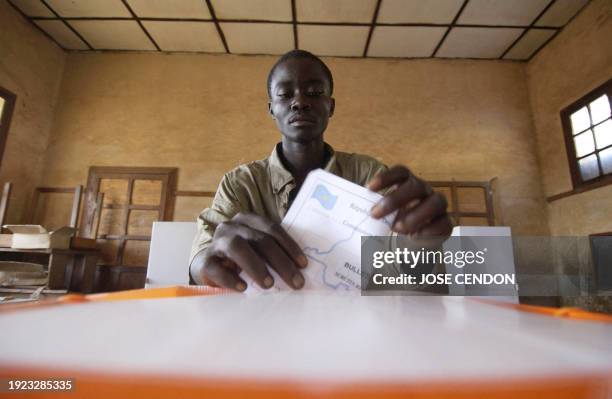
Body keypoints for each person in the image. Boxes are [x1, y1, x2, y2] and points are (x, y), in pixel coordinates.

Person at [189, 50, 453, 291]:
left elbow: (404, 270)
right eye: (284, 94)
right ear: (271, 109)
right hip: (263, 324)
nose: (300, 102)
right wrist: (207, 262)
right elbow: (201, 259)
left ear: (331, 107)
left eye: (314, 92)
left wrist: (422, 248)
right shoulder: (240, 183)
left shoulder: (370, 174)